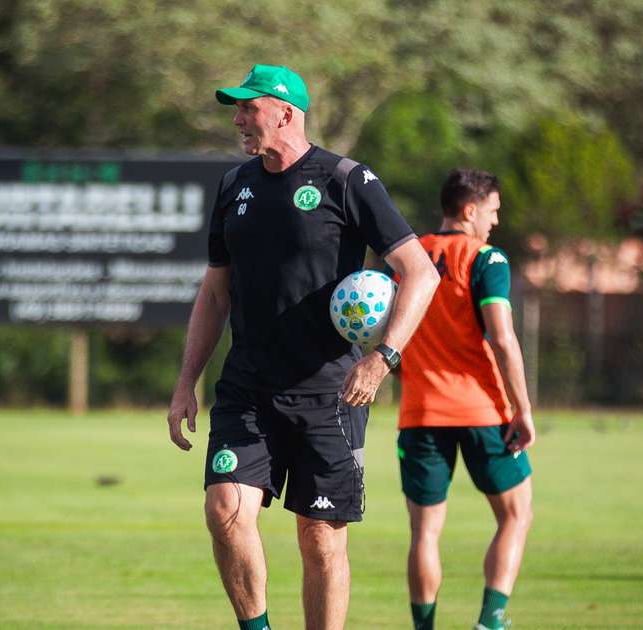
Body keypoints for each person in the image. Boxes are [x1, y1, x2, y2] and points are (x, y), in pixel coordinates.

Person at [166, 64, 439, 630]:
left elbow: (419, 272)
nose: (239, 119)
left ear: (286, 113)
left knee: (319, 541)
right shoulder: (233, 185)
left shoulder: (347, 180)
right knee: (225, 511)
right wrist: (185, 381)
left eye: (249, 108)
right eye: (236, 110)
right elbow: (215, 293)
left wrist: (383, 357)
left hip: (330, 394)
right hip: (247, 388)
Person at [393, 169, 535, 630]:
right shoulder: (487, 260)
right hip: (482, 410)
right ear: (470, 210)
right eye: (493, 210)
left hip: (419, 412)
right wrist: (523, 409)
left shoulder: (407, 257)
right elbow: (502, 337)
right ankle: (490, 621)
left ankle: (424, 627)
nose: (495, 221)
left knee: (425, 532)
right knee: (516, 513)